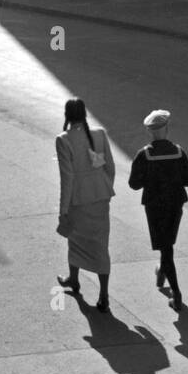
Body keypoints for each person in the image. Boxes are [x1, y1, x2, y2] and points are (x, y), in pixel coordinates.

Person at [128, 109, 188, 312]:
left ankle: (176, 293)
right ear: (167, 128)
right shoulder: (179, 151)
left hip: (154, 205)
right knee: (168, 244)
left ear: (150, 131)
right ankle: (163, 271)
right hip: (175, 204)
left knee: (166, 248)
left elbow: (134, 184)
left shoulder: (144, 154)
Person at [55, 97, 116, 312]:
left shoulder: (63, 140)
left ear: (67, 116)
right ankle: (103, 294)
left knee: (75, 241)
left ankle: (74, 279)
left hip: (78, 200)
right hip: (100, 197)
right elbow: (110, 167)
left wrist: (63, 211)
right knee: (101, 246)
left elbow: (67, 178)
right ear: (84, 114)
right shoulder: (99, 134)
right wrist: (106, 189)